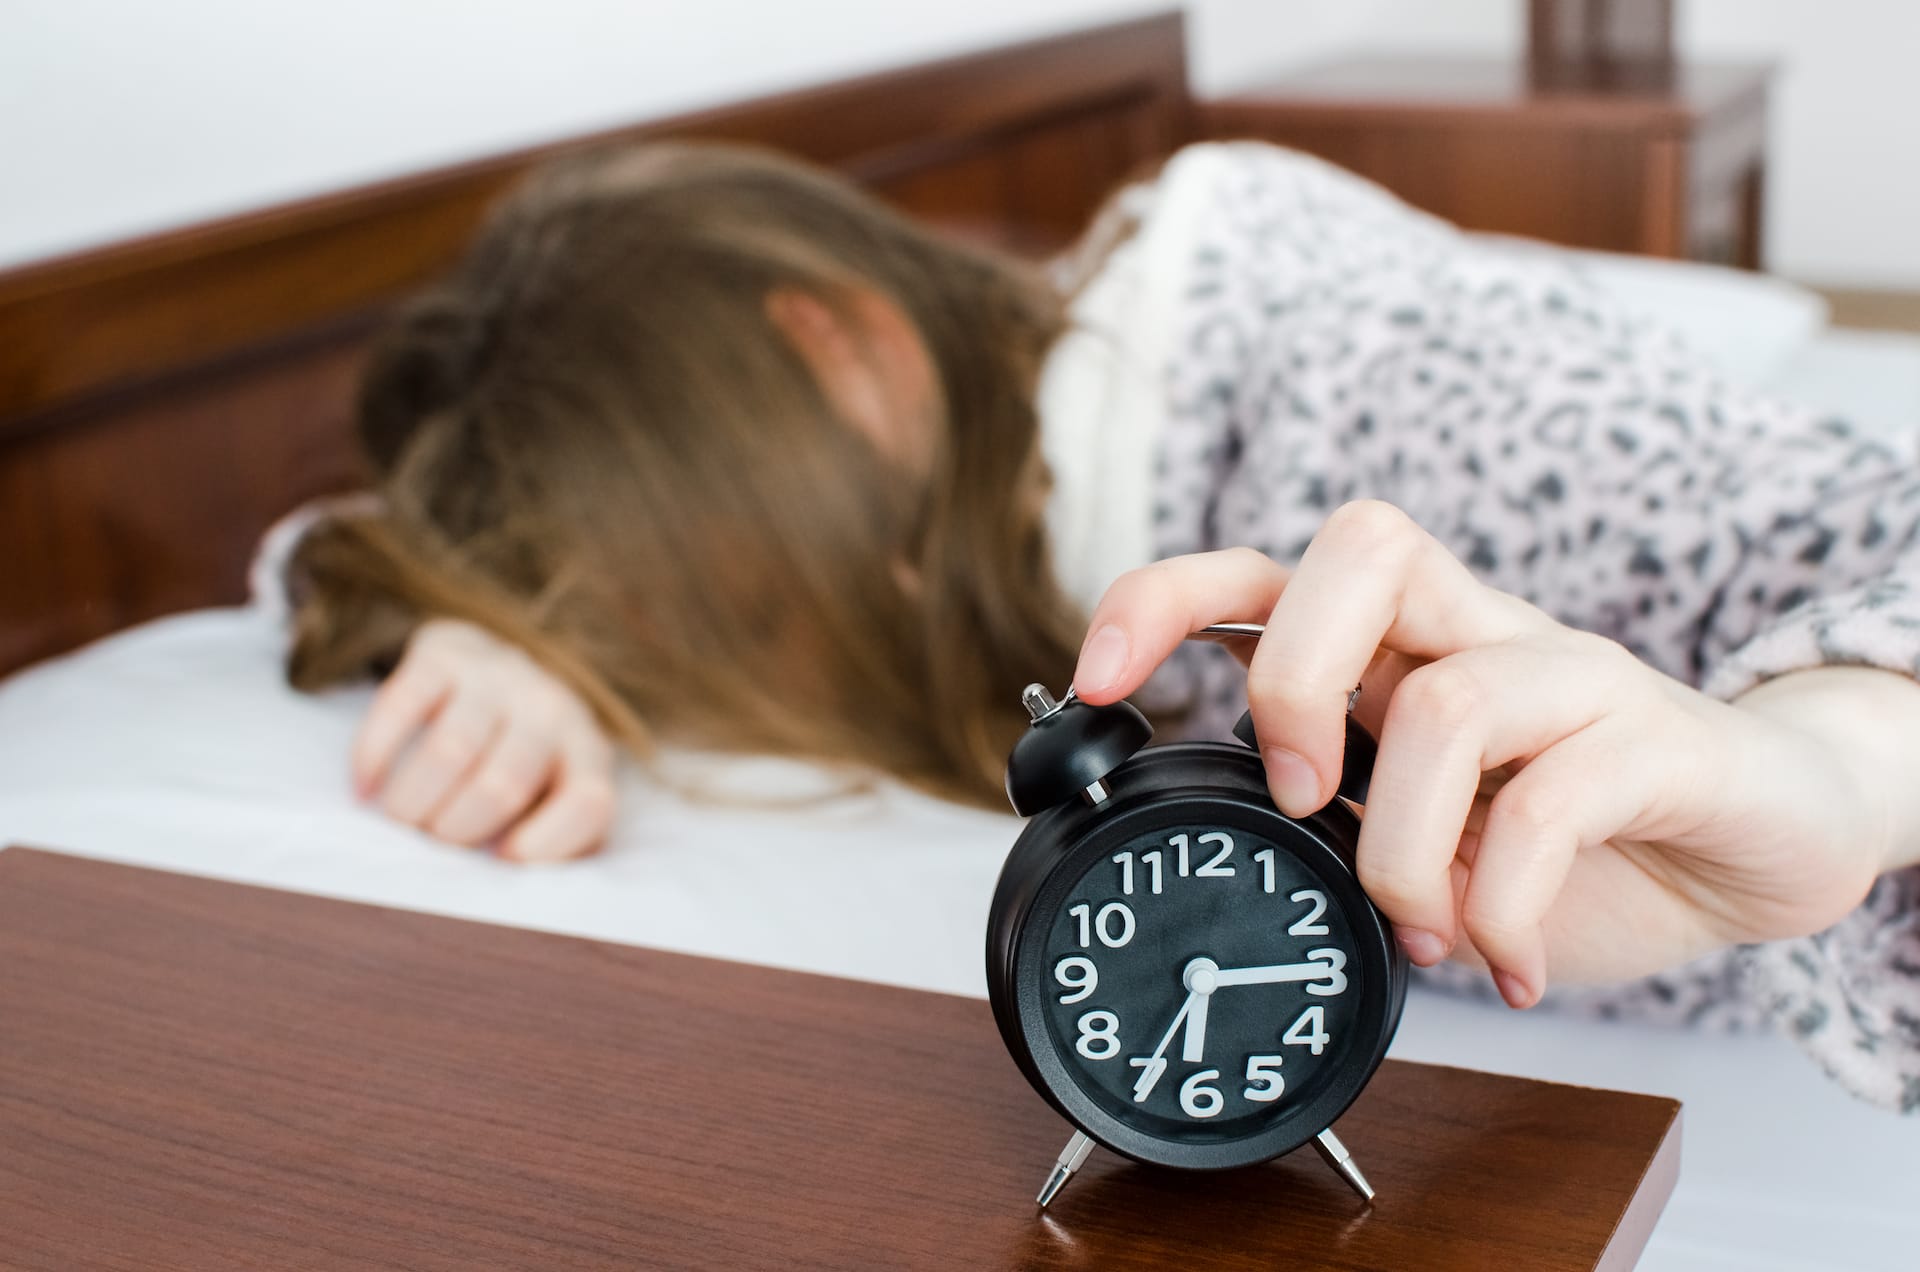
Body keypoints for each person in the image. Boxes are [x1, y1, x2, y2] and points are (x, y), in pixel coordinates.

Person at [280, 139, 1920, 1111]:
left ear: (838, 348)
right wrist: (519, 635)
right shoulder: (993, 525)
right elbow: (293, 559)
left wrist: (1829, 770)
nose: (774, 663)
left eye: (729, 600)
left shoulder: (1337, 368)